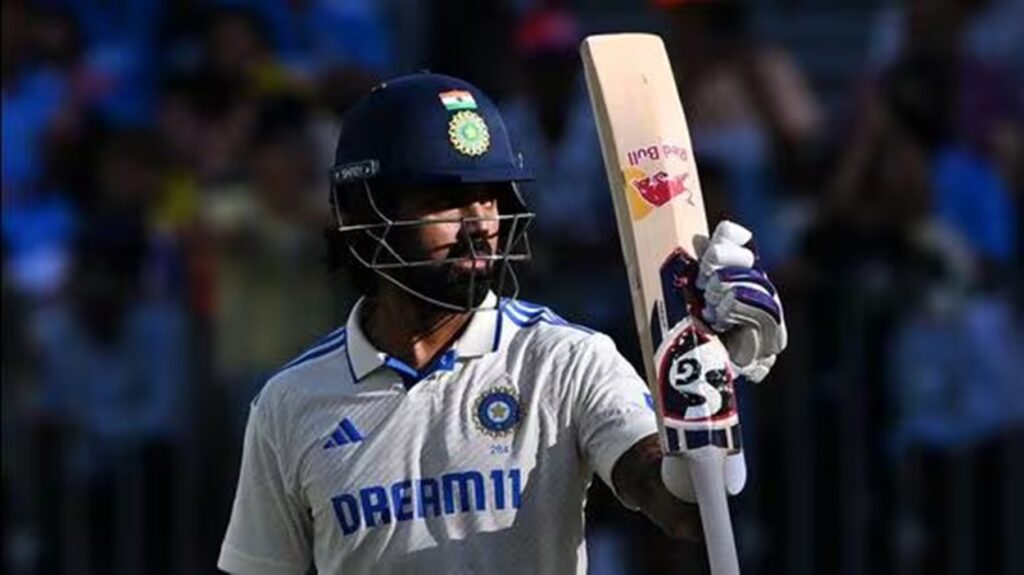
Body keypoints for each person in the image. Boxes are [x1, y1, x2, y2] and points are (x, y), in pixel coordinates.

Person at [218, 73, 787, 574]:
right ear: (365, 215)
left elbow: (682, 509)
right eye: (445, 200)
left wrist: (706, 399)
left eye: (490, 199)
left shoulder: (565, 360)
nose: (478, 227)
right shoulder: (290, 403)